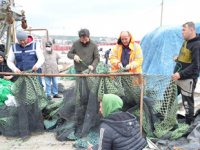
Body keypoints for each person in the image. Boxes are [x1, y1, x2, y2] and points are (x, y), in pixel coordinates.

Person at [67, 28, 100, 137]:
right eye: (82, 38)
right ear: (79, 38)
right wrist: (74, 56)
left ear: (89, 36)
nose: (84, 40)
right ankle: (81, 108)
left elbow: (97, 58)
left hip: (90, 72)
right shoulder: (76, 44)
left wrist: (92, 66)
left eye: (85, 38)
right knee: (80, 92)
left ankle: (91, 108)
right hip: (79, 72)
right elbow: (69, 54)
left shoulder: (94, 45)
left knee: (91, 91)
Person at [172, 22, 200, 124]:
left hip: (187, 79)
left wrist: (180, 74)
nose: (182, 32)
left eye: (184, 30)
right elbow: (186, 58)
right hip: (177, 78)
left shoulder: (197, 45)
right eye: (182, 30)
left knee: (187, 103)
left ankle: (189, 124)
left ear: (192, 30)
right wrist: (178, 59)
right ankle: (164, 116)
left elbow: (196, 65)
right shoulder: (186, 41)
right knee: (169, 96)